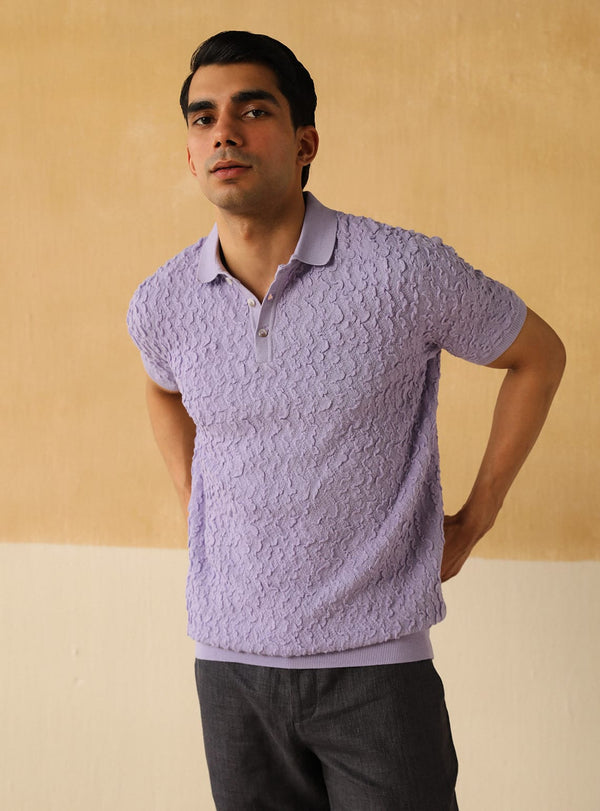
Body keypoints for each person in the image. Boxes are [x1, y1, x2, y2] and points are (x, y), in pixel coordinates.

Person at [127, 30, 565, 810]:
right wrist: (198, 502)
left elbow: (538, 355)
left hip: (377, 666)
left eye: (252, 110)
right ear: (190, 155)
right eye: (203, 118)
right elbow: (161, 389)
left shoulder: (404, 270)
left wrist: (474, 520)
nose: (223, 131)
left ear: (305, 143)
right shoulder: (163, 302)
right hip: (229, 667)